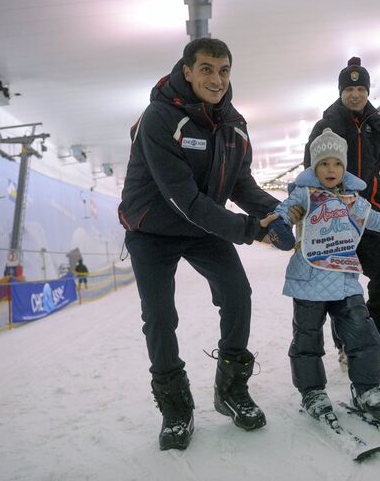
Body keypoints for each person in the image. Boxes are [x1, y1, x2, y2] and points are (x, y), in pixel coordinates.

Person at [117, 38, 283, 451]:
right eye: (206, 69)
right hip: (151, 229)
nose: (217, 79)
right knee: (159, 316)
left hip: (200, 224)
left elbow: (241, 184)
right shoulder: (159, 119)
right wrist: (250, 230)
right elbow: (183, 198)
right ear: (187, 71)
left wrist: (279, 212)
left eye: (224, 70)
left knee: (237, 294)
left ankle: (231, 389)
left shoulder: (234, 124)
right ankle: (175, 406)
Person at [274, 128, 380, 419]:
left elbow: (374, 219)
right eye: (324, 164)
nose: (331, 169)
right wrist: (279, 224)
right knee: (307, 339)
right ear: (314, 167)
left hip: (344, 279)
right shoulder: (304, 195)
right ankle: (313, 391)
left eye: (337, 164)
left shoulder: (352, 199)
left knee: (363, 332)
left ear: (344, 167)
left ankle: (367, 388)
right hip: (308, 280)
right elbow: (282, 211)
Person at [304, 57, 380, 375]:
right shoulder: (326, 125)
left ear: (368, 91)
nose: (356, 94)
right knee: (341, 286)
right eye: (350, 89)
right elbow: (312, 169)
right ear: (341, 91)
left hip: (371, 216)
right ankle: (347, 347)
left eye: (361, 88)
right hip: (336, 221)